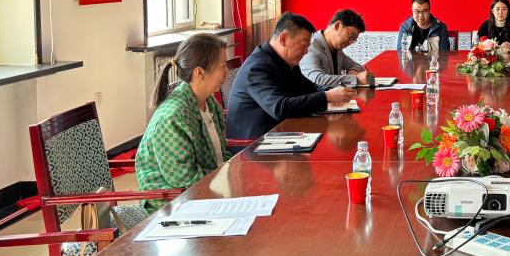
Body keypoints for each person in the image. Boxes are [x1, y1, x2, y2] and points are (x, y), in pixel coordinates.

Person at [226, 12, 354, 140]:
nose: (306, 51)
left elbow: (310, 88)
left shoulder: (287, 61)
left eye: (308, 46)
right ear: (283, 39)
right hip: (254, 144)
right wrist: (327, 97)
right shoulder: (258, 67)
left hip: (282, 133)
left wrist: (332, 92)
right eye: (303, 45)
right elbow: (279, 108)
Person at [136, 33, 229, 208]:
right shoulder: (173, 117)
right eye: (223, 66)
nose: (227, 73)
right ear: (199, 72)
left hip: (207, 191)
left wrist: (234, 171)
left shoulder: (209, 102)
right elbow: (184, 178)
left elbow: (220, 155)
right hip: (172, 204)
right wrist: (227, 180)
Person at [300, 9, 370, 88]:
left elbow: (357, 66)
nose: (350, 42)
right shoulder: (310, 46)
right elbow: (317, 79)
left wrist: (353, 72)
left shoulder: (337, 50)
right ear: (337, 25)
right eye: (350, 36)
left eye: (354, 40)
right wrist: (354, 79)